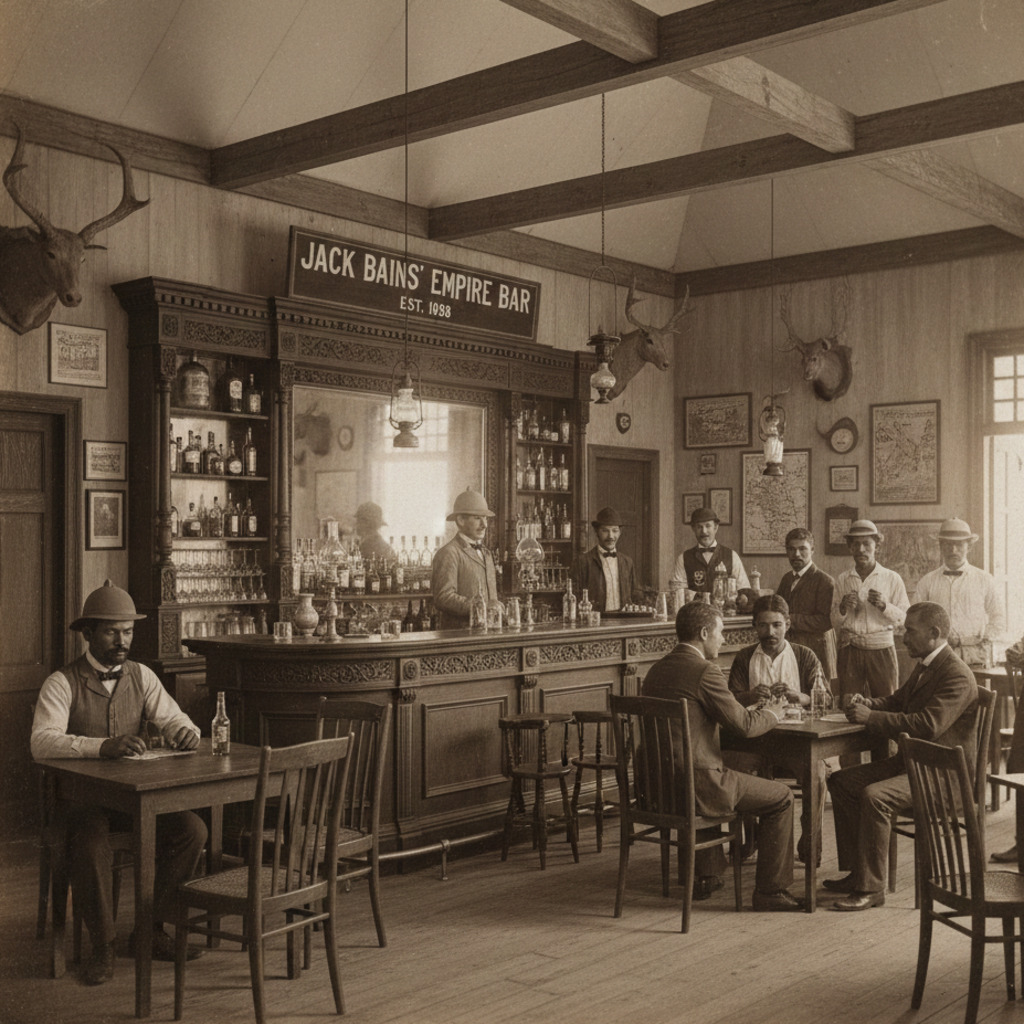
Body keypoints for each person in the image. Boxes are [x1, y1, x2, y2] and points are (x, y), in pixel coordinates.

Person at [30, 581, 207, 985]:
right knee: (91, 844)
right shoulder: (62, 682)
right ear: (88, 633)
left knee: (192, 830)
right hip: (80, 806)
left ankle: (151, 930)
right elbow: (40, 743)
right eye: (112, 632)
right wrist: (102, 746)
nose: (122, 640)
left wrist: (187, 732)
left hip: (134, 802)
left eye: (128, 631)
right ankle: (102, 946)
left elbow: (177, 718)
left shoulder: (141, 676)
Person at [641, 601, 804, 912]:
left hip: (658, 787)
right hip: (698, 788)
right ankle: (771, 891)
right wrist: (772, 712)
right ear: (704, 633)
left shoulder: (656, 669)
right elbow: (743, 725)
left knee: (712, 764)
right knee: (782, 796)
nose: (723, 639)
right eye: (720, 632)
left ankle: (708, 873)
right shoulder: (705, 671)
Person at [825, 602, 978, 910]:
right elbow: (897, 701)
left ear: (934, 633)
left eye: (910, 631)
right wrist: (869, 703)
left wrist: (871, 718)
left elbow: (927, 726)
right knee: (842, 781)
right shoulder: (927, 665)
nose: (903, 637)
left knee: (875, 796)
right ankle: (859, 872)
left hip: (943, 779)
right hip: (913, 768)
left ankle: (872, 888)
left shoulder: (956, 675)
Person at [726, 594, 830, 865]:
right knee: (732, 770)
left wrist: (800, 696)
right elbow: (729, 702)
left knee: (817, 776)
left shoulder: (804, 655)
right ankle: (749, 840)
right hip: (754, 741)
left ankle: (810, 845)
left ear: (788, 624)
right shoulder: (744, 657)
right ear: (754, 626)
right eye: (763, 625)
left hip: (795, 742)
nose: (769, 632)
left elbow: (826, 699)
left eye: (776, 625)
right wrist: (749, 696)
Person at [830, 520, 909, 704]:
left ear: (877, 546)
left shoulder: (891, 578)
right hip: (850, 650)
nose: (861, 549)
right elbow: (833, 622)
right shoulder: (843, 579)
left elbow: (905, 619)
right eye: (856, 544)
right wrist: (842, 608)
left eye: (867, 544)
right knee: (848, 703)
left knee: (887, 702)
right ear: (850, 547)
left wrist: (884, 606)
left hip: (881, 649)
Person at [914, 518, 1005, 668]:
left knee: (976, 691)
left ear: (969, 547)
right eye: (948, 544)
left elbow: (999, 619)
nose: (953, 550)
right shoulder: (927, 582)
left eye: (959, 544)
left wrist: (978, 641)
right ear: (941, 547)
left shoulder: (985, 580)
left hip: (975, 656)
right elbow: (915, 620)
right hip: (937, 657)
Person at [774, 528, 837, 681]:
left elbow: (826, 621)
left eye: (802, 549)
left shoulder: (825, 581)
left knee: (815, 697)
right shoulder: (787, 579)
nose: (796, 554)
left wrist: (790, 619)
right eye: (791, 549)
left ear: (812, 550)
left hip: (816, 653)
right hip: (790, 650)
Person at [430, 488, 499, 626]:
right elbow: (444, 598)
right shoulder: (449, 553)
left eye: (485, 518)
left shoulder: (487, 553)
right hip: (460, 637)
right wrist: (482, 607)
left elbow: (491, 599)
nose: (484, 525)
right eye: (477, 518)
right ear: (461, 520)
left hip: (487, 635)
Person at [570, 506, 640, 612]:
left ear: (620, 533)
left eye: (615, 531)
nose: (610, 536)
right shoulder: (582, 562)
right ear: (596, 532)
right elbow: (574, 598)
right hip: (595, 622)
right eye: (605, 531)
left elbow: (635, 595)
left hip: (624, 621)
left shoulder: (627, 562)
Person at [668, 507, 749, 598]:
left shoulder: (731, 555)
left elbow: (743, 588)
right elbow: (677, 591)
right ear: (693, 529)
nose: (704, 531)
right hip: (694, 610)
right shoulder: (683, 558)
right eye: (699, 527)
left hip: (723, 611)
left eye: (708, 526)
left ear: (716, 527)